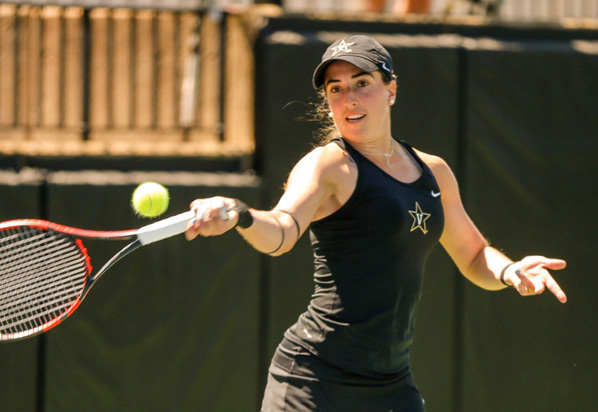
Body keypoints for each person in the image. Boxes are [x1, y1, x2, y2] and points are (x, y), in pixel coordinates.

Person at [185, 35, 567, 412]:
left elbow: (474, 256)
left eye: (362, 84)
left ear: (391, 91)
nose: (349, 99)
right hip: (314, 381)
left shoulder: (433, 171)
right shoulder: (327, 165)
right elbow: (282, 231)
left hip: (390, 385)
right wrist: (242, 215)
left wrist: (510, 270)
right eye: (336, 89)